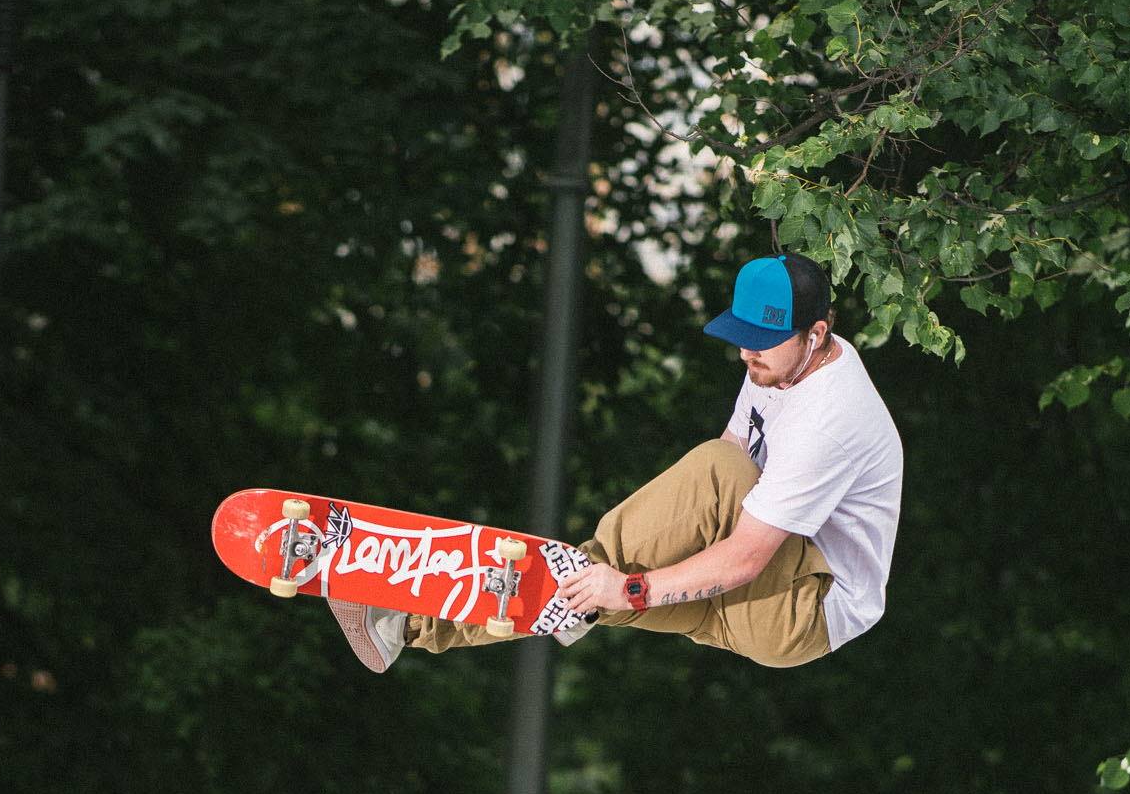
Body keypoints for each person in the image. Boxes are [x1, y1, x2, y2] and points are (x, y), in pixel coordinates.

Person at [327, 251, 903, 674]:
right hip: (750, 593)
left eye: (761, 341)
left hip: (800, 606)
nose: (746, 354)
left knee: (708, 478)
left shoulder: (829, 417)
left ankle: (582, 582)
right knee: (579, 592)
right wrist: (622, 577)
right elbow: (736, 446)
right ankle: (403, 624)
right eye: (741, 337)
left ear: (817, 334)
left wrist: (631, 588)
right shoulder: (779, 361)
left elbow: (745, 550)